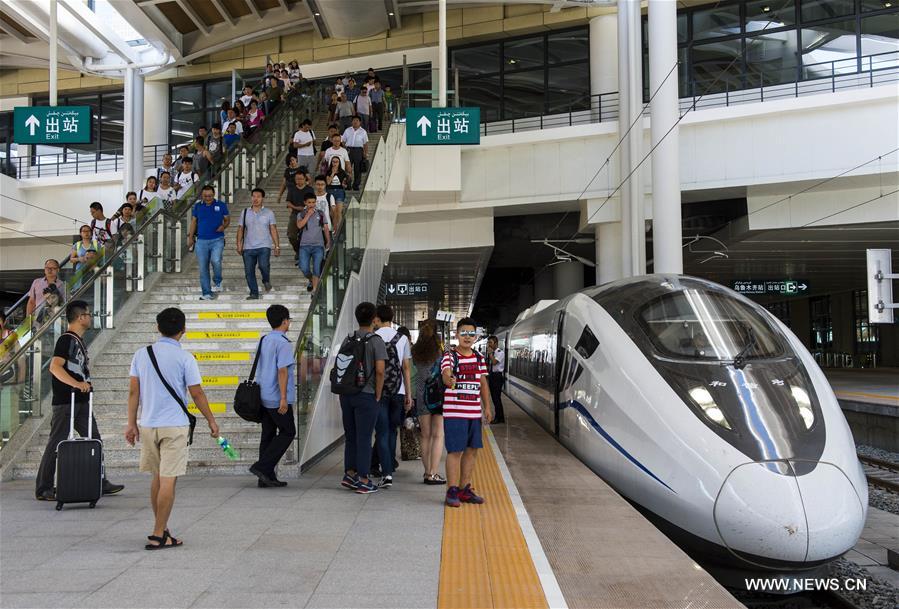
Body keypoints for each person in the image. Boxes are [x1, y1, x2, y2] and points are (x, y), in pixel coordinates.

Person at [125, 307, 219, 549]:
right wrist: (211, 419)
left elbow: (134, 391)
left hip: (148, 424)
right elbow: (196, 393)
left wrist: (131, 423)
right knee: (168, 481)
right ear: (183, 329)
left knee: (157, 478)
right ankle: (158, 533)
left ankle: (163, 529)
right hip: (175, 425)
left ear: (158, 327)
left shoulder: (141, 354)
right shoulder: (185, 358)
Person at [35, 300, 125, 501]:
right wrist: (75, 383)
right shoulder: (66, 340)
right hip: (67, 401)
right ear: (80, 317)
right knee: (57, 443)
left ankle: (100, 481)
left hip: (82, 402)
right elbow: (55, 367)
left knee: (94, 439)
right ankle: (44, 487)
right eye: (88, 314)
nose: (90, 317)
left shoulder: (78, 341)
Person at [442, 317, 492, 507]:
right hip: (455, 413)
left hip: (473, 413)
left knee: (472, 450)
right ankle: (452, 491)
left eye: (471, 333)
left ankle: (464, 489)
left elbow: (482, 383)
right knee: (455, 451)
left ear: (476, 336)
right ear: (457, 335)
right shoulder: (450, 356)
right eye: (464, 333)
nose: (467, 337)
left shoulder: (479, 358)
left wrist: (486, 407)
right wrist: (449, 379)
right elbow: (446, 374)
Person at [338, 302, 387, 495]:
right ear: (374, 319)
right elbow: (381, 371)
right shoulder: (376, 340)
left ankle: (350, 475)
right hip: (366, 395)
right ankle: (364, 479)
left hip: (346, 394)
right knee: (365, 437)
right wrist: (378, 393)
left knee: (351, 436)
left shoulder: (347, 338)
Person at [249, 305, 296, 487]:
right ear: (284, 321)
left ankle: (265, 478)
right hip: (277, 397)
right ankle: (262, 467)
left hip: (263, 395)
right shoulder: (283, 343)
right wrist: (283, 398)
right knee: (288, 431)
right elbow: (282, 371)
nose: (289, 323)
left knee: (268, 434)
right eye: (289, 320)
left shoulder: (264, 340)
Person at [371, 304, 412, 488]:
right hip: (399, 391)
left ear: (377, 318)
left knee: (381, 432)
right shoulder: (402, 338)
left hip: (378, 392)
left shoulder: (373, 337)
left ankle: (386, 472)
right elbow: (406, 367)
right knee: (392, 430)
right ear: (393, 317)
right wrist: (408, 394)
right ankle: (389, 465)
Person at [412, 319, 446, 484]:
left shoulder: (415, 351)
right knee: (438, 435)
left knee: (424, 436)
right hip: (438, 397)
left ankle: (426, 473)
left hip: (421, 397)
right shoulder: (440, 352)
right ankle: (434, 473)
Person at [188, 185, 230, 300]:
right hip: (201, 241)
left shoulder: (221, 205)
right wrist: (190, 237)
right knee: (203, 268)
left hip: (217, 239)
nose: (208, 198)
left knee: (216, 260)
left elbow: (227, 219)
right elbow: (193, 222)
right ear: (202, 195)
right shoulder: (197, 206)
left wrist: (223, 226)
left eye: (210, 196)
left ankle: (218, 281)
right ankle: (206, 292)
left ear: (214, 194)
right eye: (205, 196)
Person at [237, 187, 279, 300]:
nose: (255, 199)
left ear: (262, 198)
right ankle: (254, 293)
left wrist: (277, 245)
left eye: (258, 197)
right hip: (248, 247)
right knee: (249, 271)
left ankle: (266, 280)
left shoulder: (269, 212)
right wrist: (238, 243)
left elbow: (273, 229)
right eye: (254, 196)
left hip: (264, 245)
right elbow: (241, 229)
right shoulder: (245, 212)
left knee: (263, 265)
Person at [296, 191, 331, 293]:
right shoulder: (301, 214)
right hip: (304, 246)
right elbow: (299, 226)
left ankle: (315, 290)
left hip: (318, 245)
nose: (312, 204)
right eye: (309, 202)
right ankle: (311, 279)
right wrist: (307, 215)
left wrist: (328, 241)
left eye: (313, 202)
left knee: (317, 268)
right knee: (303, 267)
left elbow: (325, 227)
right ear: (305, 203)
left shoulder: (320, 213)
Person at [285, 171, 314, 255]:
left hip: (307, 214)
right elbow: (288, 202)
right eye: (297, 179)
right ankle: (298, 251)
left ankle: (304, 253)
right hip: (295, 214)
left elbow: (313, 202)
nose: (299, 181)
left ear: (305, 179)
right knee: (291, 235)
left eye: (301, 179)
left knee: (305, 235)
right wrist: (296, 208)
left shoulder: (309, 189)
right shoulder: (292, 189)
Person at [342, 116, 369, 191]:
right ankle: (348, 184)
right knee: (348, 169)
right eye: (354, 120)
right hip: (349, 150)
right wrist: (345, 149)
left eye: (357, 120)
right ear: (351, 122)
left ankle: (356, 185)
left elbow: (365, 144)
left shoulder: (363, 132)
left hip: (358, 151)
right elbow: (343, 141)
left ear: (360, 122)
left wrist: (365, 154)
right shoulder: (347, 130)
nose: (355, 122)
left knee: (358, 169)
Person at [486, 335, 506, 424]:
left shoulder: (500, 353)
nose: (489, 344)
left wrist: (490, 354)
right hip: (492, 376)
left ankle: (500, 418)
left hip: (497, 377)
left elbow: (494, 363)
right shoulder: (493, 353)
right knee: (494, 398)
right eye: (488, 342)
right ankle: (499, 416)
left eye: (490, 342)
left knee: (497, 398)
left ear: (496, 343)